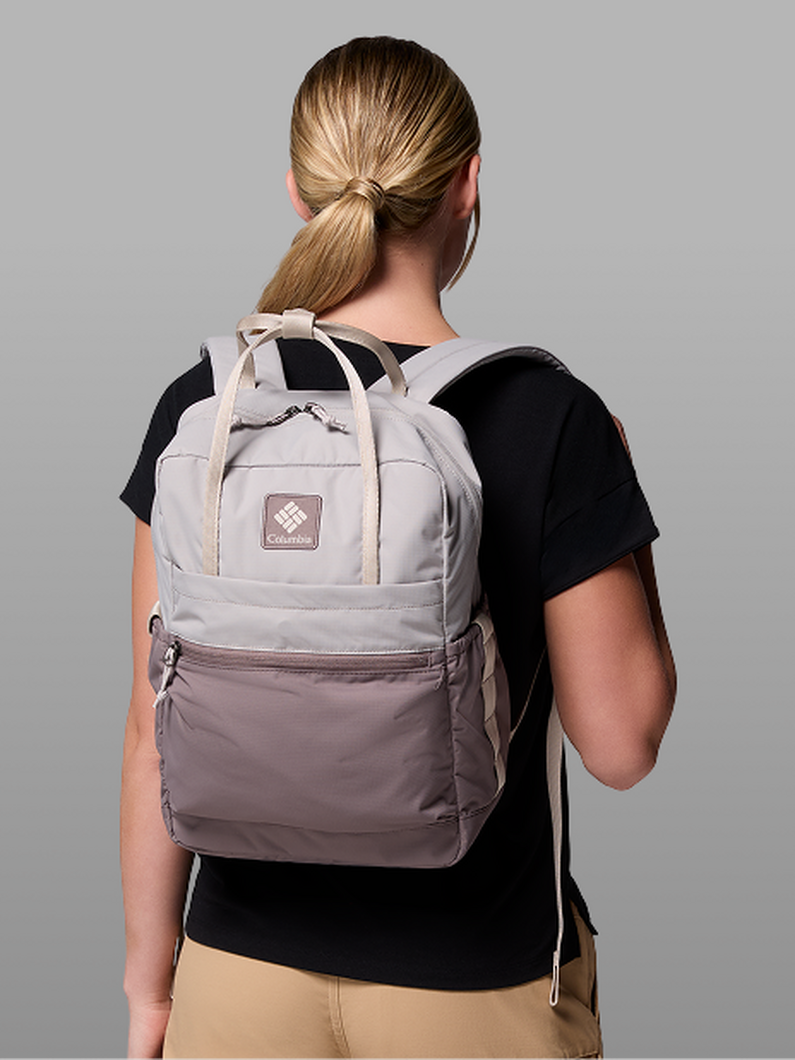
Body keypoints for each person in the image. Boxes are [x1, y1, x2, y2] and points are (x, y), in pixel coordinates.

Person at [120, 36, 675, 1060]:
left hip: (237, 975)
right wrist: (621, 511)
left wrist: (152, 987)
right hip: (478, 982)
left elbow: (156, 728)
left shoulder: (206, 404)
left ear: (299, 190)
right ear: (468, 182)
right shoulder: (545, 415)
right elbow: (622, 745)